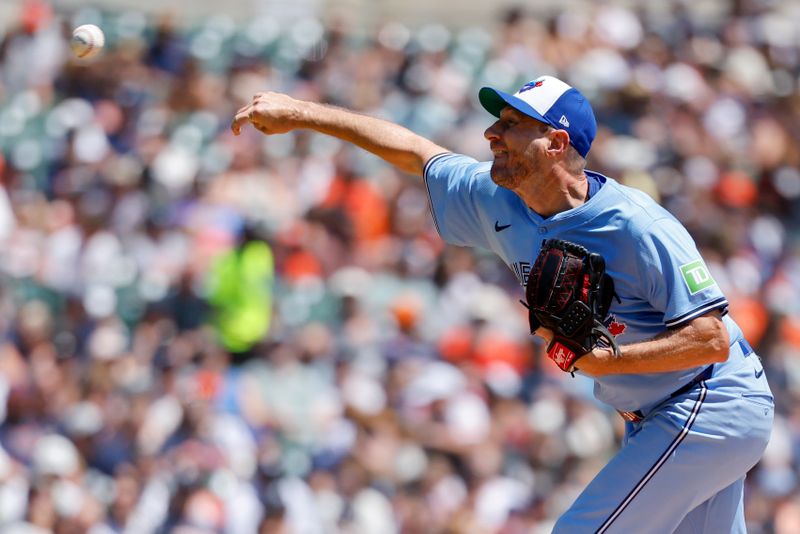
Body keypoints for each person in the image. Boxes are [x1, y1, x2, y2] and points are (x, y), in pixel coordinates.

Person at [231, 75, 774, 532]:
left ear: (556, 143)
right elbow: (415, 152)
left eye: (512, 124)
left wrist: (607, 363)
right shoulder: (498, 200)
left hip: (712, 400)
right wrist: (301, 113)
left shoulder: (635, 225)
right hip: (659, 415)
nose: (492, 133)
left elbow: (711, 338)